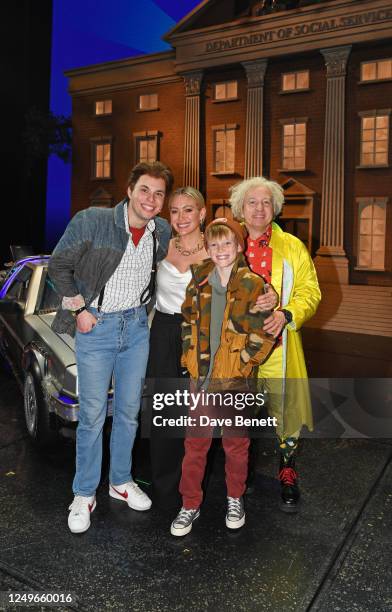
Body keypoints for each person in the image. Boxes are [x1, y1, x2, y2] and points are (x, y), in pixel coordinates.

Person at [48, 161, 173, 533]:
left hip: (135, 328)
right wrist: (80, 309)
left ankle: (120, 482)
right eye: (145, 190)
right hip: (97, 328)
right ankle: (84, 493)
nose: (151, 199)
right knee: (91, 415)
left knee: (129, 411)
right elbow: (58, 266)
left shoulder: (160, 231)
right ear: (130, 189)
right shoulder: (93, 220)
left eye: (159, 193)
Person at [170, 218, 276, 536]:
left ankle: (234, 499)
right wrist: (189, 358)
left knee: (235, 445)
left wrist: (244, 362)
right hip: (200, 378)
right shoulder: (198, 279)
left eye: (227, 243)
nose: (220, 250)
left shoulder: (253, 284)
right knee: (195, 445)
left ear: (239, 246)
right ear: (208, 248)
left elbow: (265, 333)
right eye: (214, 244)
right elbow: (187, 321)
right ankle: (189, 504)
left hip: (234, 380)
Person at [229, 176, 321, 512]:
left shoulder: (293, 247)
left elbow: (310, 291)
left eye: (266, 202)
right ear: (241, 207)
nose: (258, 208)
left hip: (279, 348)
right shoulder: (227, 240)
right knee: (240, 412)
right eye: (252, 201)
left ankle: (287, 469)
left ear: (275, 208)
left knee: (286, 411)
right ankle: (243, 470)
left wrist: (286, 313)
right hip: (238, 351)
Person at [146, 186, 208, 511]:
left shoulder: (216, 250)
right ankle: (164, 486)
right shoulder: (160, 246)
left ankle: (195, 486)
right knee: (164, 411)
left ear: (202, 213)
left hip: (200, 335)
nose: (180, 217)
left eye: (188, 210)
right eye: (174, 210)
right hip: (163, 332)